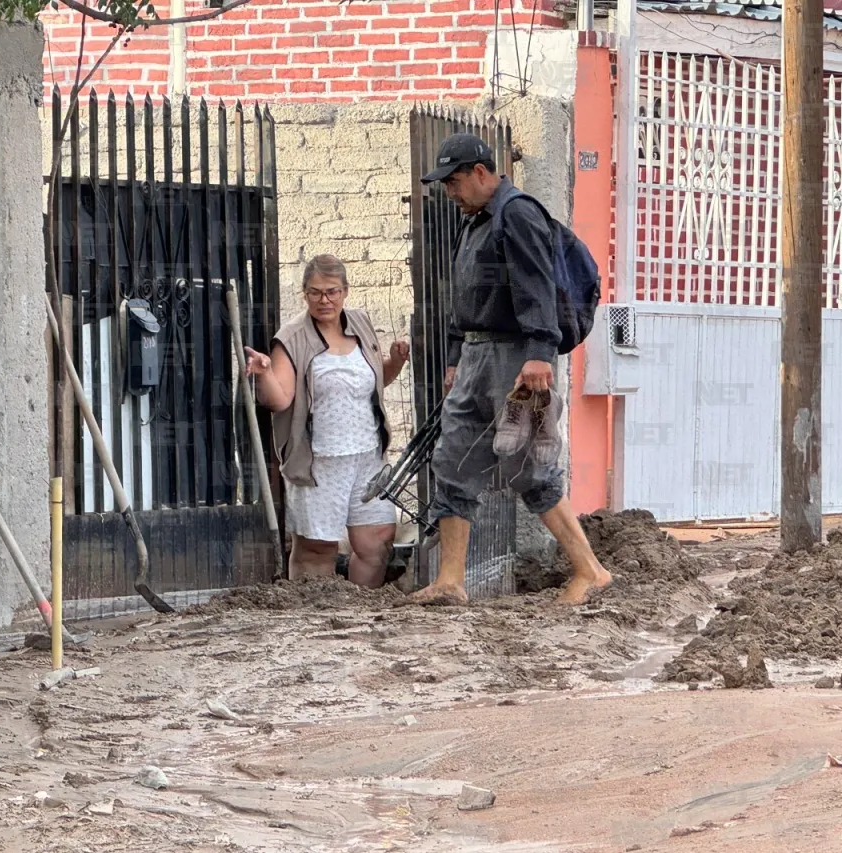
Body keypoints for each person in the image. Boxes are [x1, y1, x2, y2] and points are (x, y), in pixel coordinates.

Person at [405, 133, 614, 607]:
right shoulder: (473, 221)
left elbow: (536, 284)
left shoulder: (516, 213)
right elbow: (465, 295)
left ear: (481, 172)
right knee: (452, 463)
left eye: (454, 182)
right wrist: (456, 357)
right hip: (476, 358)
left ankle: (591, 571)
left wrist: (540, 353)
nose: (450, 192)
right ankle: (451, 581)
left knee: (530, 468)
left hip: (517, 361)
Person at [244, 253, 410, 588]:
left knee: (377, 539)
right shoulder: (292, 338)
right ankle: (312, 614)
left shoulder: (360, 323)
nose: (324, 300)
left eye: (332, 291)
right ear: (304, 294)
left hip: (367, 456)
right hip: (319, 461)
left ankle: (362, 609)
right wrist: (263, 374)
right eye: (316, 292)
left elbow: (374, 382)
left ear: (345, 291)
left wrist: (395, 362)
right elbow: (279, 400)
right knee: (317, 547)